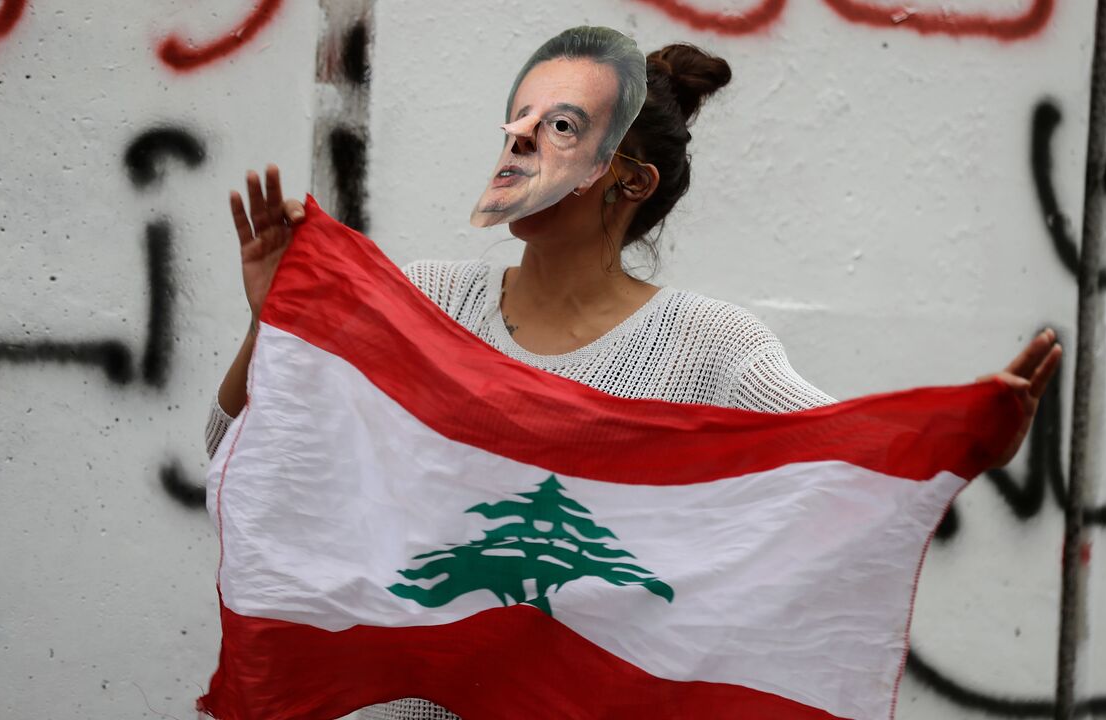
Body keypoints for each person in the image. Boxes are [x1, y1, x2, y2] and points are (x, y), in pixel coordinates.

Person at [205, 27, 1061, 720]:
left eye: (562, 128)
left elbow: (840, 478)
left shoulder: (710, 347)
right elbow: (237, 449)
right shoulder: (421, 303)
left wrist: (966, 433)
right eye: (520, 120)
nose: (519, 140)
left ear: (631, 181)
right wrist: (272, 319)